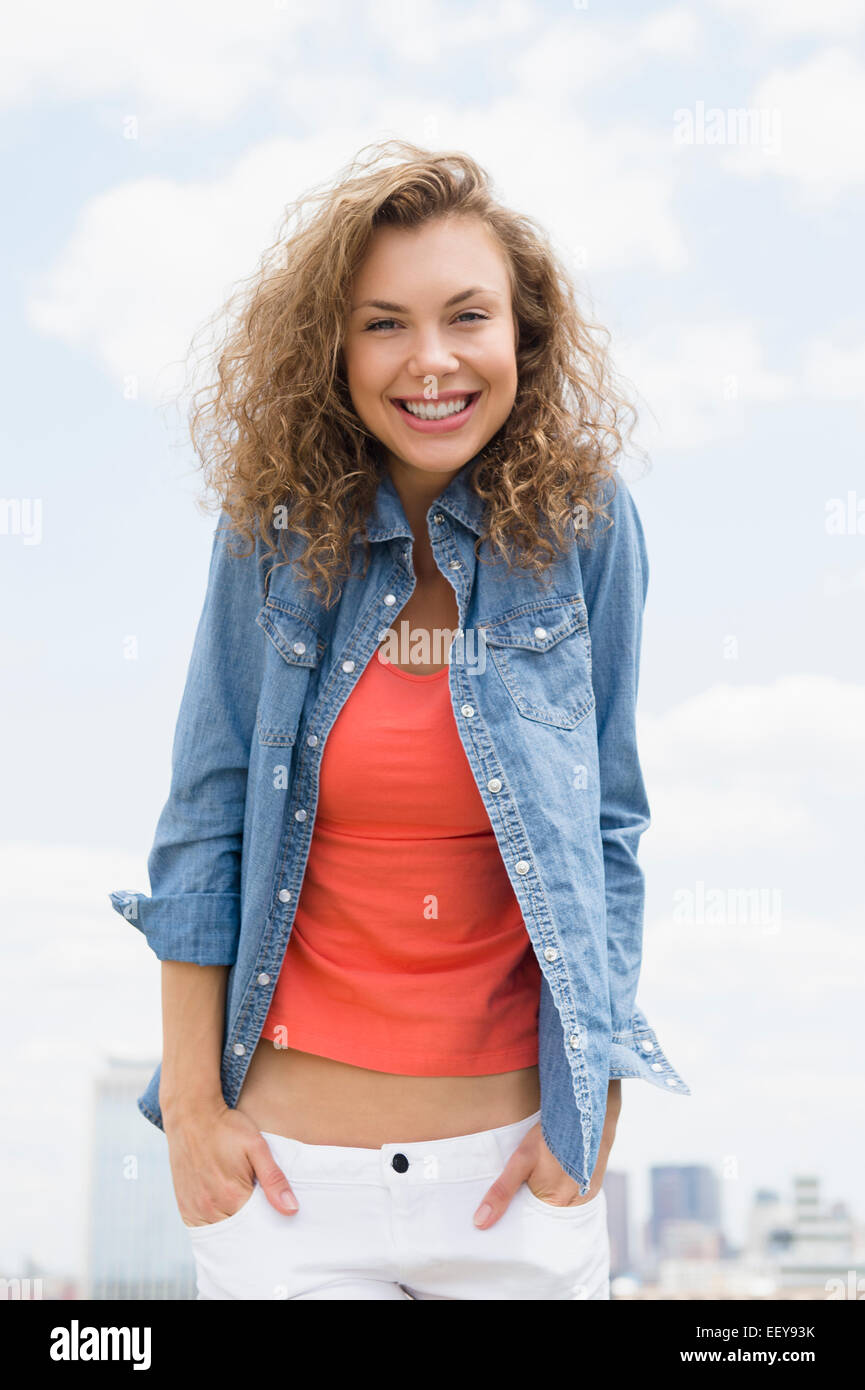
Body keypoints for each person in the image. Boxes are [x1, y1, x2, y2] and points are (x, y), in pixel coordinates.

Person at [109, 139, 690, 1301]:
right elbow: (207, 812)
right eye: (383, 323)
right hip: (283, 1194)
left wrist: (598, 1096)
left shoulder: (584, 525)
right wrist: (187, 1110)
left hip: (515, 1193)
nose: (430, 361)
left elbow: (607, 823)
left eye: (465, 316)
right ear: (332, 348)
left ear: (520, 334)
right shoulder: (273, 530)